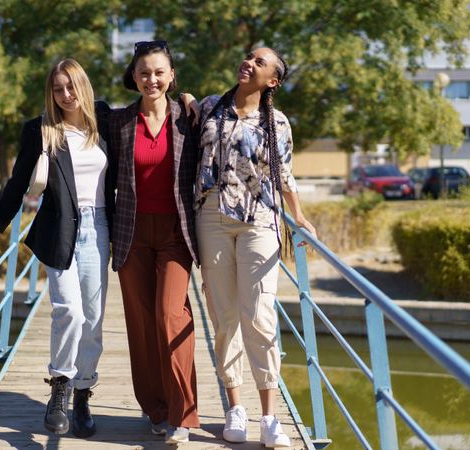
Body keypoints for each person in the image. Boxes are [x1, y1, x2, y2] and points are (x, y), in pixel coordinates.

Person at [0, 58, 114, 439]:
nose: (65, 95)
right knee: (70, 313)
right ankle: (59, 388)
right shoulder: (41, 129)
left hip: (99, 229)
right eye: (58, 88)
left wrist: (188, 101)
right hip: (59, 228)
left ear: (83, 86)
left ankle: (83, 395)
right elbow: (16, 183)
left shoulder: (105, 120)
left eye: (71, 87)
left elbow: (148, 116)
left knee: (93, 321)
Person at [194, 47, 317, 448]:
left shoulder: (278, 122)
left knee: (260, 317)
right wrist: (185, 99)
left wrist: (298, 216)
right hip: (212, 217)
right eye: (248, 56)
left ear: (273, 81)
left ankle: (269, 416)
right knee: (225, 318)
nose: (249, 62)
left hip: (260, 223)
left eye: (260, 62)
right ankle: (235, 407)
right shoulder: (212, 107)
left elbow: (285, 175)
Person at [108, 40, 200, 445]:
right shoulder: (119, 122)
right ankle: (156, 410)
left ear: (172, 75)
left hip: (175, 233)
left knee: (170, 316)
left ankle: (183, 413)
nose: (152, 79)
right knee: (142, 325)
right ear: (133, 76)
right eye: (144, 72)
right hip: (130, 233)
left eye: (160, 72)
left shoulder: (190, 117)